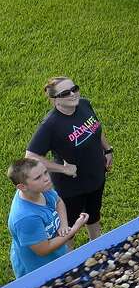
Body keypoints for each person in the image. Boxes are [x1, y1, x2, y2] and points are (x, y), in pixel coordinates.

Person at [25, 77, 112, 243]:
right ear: (54, 100)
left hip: (96, 176)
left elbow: (96, 128)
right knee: (69, 229)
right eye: (66, 93)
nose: (73, 94)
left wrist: (107, 149)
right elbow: (30, 157)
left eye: (75, 89)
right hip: (71, 188)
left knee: (94, 215)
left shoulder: (84, 104)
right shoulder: (50, 125)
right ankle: (70, 261)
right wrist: (64, 169)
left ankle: (97, 247)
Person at [8, 158, 89, 278]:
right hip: (38, 270)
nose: (46, 178)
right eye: (38, 177)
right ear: (22, 187)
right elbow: (43, 250)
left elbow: (58, 202)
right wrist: (74, 229)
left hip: (57, 255)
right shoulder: (26, 218)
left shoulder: (40, 189)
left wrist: (64, 225)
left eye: (45, 172)